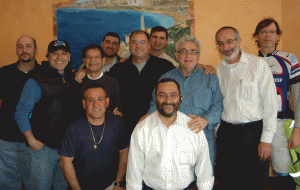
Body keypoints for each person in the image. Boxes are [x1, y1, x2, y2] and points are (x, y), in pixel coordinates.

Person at [215, 26, 278, 190]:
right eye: (221, 43)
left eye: (229, 41)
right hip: (226, 134)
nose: (226, 47)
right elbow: (218, 103)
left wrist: (266, 139)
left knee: (256, 182)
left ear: (239, 40)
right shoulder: (218, 70)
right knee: (228, 181)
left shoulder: (258, 65)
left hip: (254, 134)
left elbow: (271, 104)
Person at [147, 35, 223, 169]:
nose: (188, 55)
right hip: (172, 141)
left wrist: (205, 120)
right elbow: (155, 106)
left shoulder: (211, 77)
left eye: (193, 51)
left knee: (203, 183)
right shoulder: (166, 78)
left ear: (198, 55)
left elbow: (218, 105)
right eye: (183, 51)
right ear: (177, 55)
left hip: (203, 139)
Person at [15, 40, 81, 190]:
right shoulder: (36, 80)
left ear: (69, 57)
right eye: (55, 53)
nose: (59, 57)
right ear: (48, 56)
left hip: (67, 151)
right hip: (43, 150)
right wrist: (31, 141)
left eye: (63, 53)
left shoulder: (73, 78)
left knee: (63, 187)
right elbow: (21, 112)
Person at [126, 78, 214, 190]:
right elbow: (134, 173)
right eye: (162, 95)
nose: (168, 101)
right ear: (155, 97)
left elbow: (204, 169)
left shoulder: (193, 128)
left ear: (180, 97)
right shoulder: (142, 129)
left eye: (173, 95)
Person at [253, 18, 300, 189]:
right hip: (256, 125)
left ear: (278, 36)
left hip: (281, 124)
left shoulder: (289, 59)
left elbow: (298, 97)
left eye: (272, 32)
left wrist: (298, 129)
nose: (267, 36)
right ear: (256, 36)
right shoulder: (249, 61)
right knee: (258, 173)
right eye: (263, 32)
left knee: (284, 172)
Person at [59, 84, 129, 190]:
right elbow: (65, 162)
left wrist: (118, 183)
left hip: (110, 185)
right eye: (91, 100)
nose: (96, 104)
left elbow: (124, 153)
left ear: (107, 102)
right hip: (80, 187)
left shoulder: (117, 122)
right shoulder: (74, 128)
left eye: (100, 99)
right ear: (84, 104)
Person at [107, 30, 175, 134]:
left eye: (143, 42)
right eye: (134, 42)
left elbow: (182, 77)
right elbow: (104, 91)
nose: (138, 46)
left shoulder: (165, 67)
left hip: (157, 127)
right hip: (125, 129)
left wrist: (201, 67)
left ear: (149, 45)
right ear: (129, 45)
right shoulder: (117, 69)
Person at [0, 35, 41, 190]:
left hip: (35, 142)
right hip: (7, 141)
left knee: (35, 185)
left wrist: (82, 70)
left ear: (35, 50)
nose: (24, 50)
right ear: (16, 50)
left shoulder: (45, 73)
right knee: (7, 185)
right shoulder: (3, 73)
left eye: (28, 46)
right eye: (20, 46)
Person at [78, 44, 122, 116]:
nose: (92, 60)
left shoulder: (113, 83)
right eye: (89, 57)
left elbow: (120, 106)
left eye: (97, 57)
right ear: (84, 60)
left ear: (103, 60)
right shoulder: (79, 82)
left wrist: (119, 111)